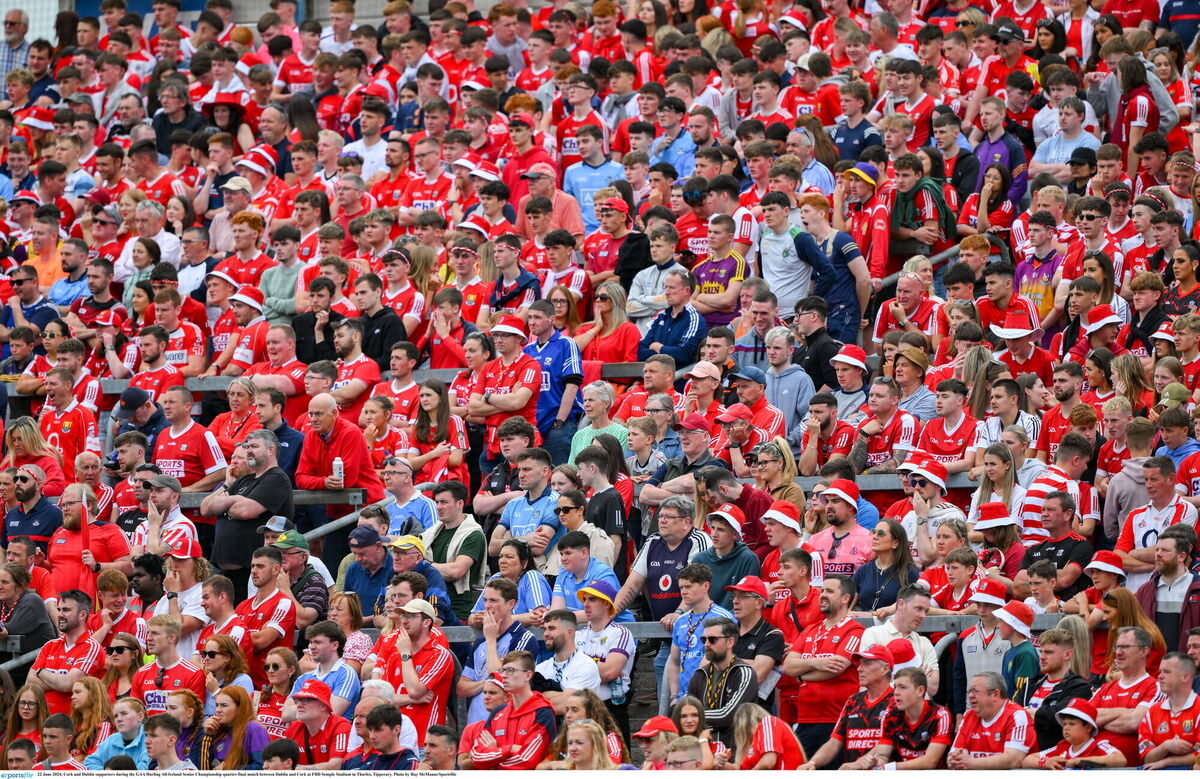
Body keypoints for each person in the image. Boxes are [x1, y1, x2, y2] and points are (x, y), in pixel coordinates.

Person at [470, 649, 558, 769]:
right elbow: (476, 756)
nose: (504, 675)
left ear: (528, 675)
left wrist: (493, 758)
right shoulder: (498, 712)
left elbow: (527, 760)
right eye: (503, 670)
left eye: (510, 671)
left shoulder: (542, 712)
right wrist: (509, 749)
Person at [28, 589, 104, 716]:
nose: (60, 615)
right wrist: (60, 681)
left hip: (74, 724)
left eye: (66, 610)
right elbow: (30, 683)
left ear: (82, 615)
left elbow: (69, 684)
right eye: (59, 610)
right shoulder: (50, 645)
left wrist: (41, 672)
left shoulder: (91, 647)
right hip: (44, 721)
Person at [130, 615, 205, 716]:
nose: (148, 638)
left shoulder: (193, 674)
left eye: (155, 633)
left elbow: (195, 718)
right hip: (146, 731)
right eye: (148, 632)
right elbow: (135, 715)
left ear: (171, 638)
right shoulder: (140, 673)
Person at [195, 686, 271, 770]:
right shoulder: (218, 730)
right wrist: (208, 736)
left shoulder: (253, 728)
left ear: (239, 708)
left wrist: (231, 769)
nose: (218, 710)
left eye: (224, 705)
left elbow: (263, 767)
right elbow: (203, 769)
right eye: (217, 705)